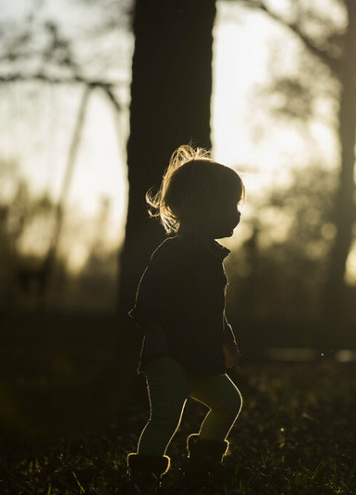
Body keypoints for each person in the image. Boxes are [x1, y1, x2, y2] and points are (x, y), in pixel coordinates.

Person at [126, 145, 244, 490]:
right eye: (230, 205)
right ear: (203, 207)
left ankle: (205, 460)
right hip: (169, 355)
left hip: (200, 356)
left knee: (228, 402)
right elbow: (148, 299)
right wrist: (155, 335)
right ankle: (144, 473)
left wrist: (227, 338)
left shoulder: (210, 257)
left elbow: (213, 310)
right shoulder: (174, 252)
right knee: (165, 417)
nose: (237, 214)